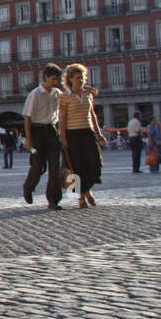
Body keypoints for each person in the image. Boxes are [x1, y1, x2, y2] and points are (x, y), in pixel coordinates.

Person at [58, 63, 104, 209]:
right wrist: (63, 137)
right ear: (70, 79)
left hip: (87, 132)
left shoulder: (88, 94)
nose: (82, 80)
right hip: (73, 134)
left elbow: (92, 115)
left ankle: (85, 191)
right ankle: (83, 196)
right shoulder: (65, 97)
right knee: (78, 167)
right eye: (78, 77)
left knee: (95, 164)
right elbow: (62, 118)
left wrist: (98, 133)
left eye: (83, 77)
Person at [22, 63, 64, 210]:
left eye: (58, 79)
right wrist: (29, 139)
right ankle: (28, 186)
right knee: (37, 166)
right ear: (45, 77)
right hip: (36, 133)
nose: (56, 82)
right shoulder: (34, 94)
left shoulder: (57, 93)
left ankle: (53, 200)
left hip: (52, 132)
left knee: (55, 168)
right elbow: (27, 117)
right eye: (53, 79)